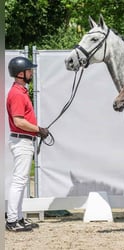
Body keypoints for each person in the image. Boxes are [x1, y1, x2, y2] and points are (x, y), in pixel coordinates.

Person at [6, 56, 49, 232]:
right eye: (29, 70)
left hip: (25, 140)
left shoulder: (21, 91)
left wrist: (37, 130)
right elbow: (18, 121)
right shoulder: (16, 94)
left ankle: (19, 217)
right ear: (21, 73)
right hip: (22, 140)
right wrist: (38, 129)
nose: (32, 73)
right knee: (19, 181)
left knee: (22, 181)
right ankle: (12, 220)